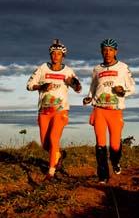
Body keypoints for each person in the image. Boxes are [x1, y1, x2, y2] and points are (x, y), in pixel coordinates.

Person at [27, 39, 82, 180]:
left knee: (53, 138)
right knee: (46, 144)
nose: (55, 56)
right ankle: (58, 155)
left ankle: (51, 171)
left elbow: (78, 89)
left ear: (63, 56)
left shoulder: (68, 70)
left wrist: (75, 83)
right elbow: (29, 85)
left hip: (61, 110)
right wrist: (41, 86)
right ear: (50, 55)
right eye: (53, 53)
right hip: (44, 111)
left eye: (59, 54)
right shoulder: (42, 68)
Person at [83, 38, 135, 184]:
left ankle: (116, 162)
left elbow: (132, 87)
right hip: (99, 109)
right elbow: (93, 88)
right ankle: (103, 176)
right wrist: (88, 98)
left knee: (114, 145)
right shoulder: (97, 69)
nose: (107, 52)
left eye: (111, 50)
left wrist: (122, 91)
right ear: (101, 51)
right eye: (105, 50)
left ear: (115, 51)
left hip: (115, 110)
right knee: (100, 144)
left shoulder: (123, 67)